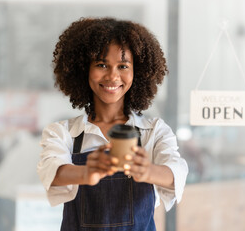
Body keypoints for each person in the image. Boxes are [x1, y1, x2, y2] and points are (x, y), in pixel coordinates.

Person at [37, 17, 188, 230]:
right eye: (101, 64)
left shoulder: (153, 132)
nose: (112, 75)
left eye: (123, 66)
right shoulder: (63, 133)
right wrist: (86, 173)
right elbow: (52, 171)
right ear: (83, 69)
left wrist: (147, 171)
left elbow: (177, 172)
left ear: (138, 72)